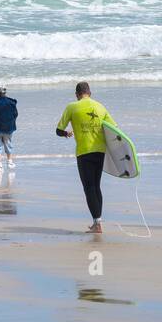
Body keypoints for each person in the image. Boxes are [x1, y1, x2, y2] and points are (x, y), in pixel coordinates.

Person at [56, 81, 113, 234]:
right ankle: (98, 221)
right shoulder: (100, 107)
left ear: (76, 94)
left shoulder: (72, 107)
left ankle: (97, 224)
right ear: (90, 93)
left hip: (84, 151)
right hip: (100, 151)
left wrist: (66, 133)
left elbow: (58, 130)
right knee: (96, 186)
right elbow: (114, 131)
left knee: (89, 188)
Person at [0, 85, 18, 169]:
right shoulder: (12, 102)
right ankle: (10, 162)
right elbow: (15, 114)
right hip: (9, 127)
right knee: (8, 144)